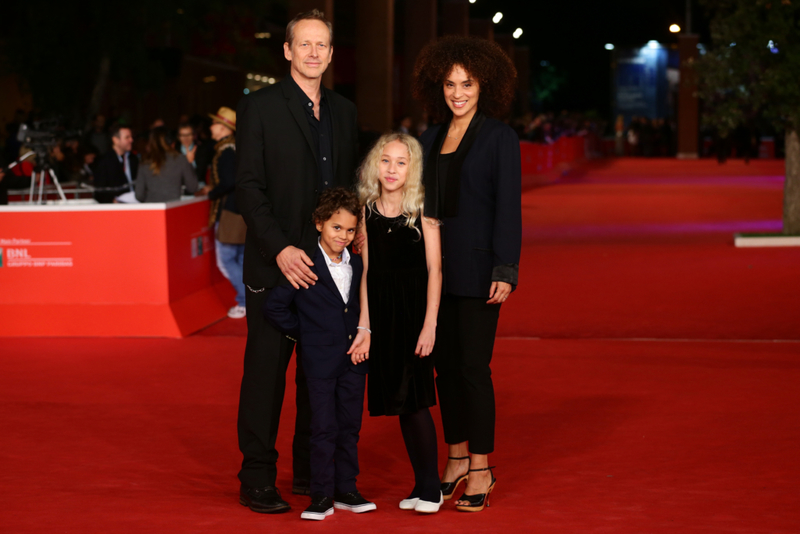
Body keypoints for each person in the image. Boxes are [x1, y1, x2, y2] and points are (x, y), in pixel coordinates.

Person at [234, 9, 360, 514]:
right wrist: (281, 249)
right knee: (266, 378)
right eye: (303, 44)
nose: (312, 53)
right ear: (287, 51)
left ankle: (314, 473)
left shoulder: (345, 113)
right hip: (275, 267)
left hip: (330, 272)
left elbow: (348, 189)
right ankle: (257, 477)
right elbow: (248, 187)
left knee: (320, 378)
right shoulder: (260, 107)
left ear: (331, 54)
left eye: (321, 45)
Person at [412, 35, 522, 512]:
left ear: (485, 85)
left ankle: (481, 466)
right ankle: (454, 458)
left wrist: (506, 267)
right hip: (434, 272)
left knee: (474, 369)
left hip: (479, 271)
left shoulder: (499, 137)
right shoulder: (429, 138)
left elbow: (507, 209)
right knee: (443, 370)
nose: (458, 92)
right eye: (451, 83)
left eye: (468, 83)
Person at [264, 188, 374, 521]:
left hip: (354, 361)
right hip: (319, 362)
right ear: (319, 224)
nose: (343, 235)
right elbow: (275, 306)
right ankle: (321, 494)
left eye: (350, 230)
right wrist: (307, 333)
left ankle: (346, 489)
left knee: (350, 427)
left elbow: (363, 305)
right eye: (336, 228)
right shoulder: (305, 263)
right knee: (323, 428)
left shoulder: (357, 262)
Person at [356, 132, 444, 512]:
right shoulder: (366, 210)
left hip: (414, 313)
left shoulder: (423, 208)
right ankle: (421, 483)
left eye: (401, 162)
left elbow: (435, 269)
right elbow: (366, 273)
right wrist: (365, 326)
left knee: (415, 401)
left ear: (412, 169)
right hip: (382, 313)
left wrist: (430, 325)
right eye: (386, 161)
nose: (392, 169)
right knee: (400, 402)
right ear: (376, 165)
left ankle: (432, 488)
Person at [195, 107, 246, 319]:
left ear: (224, 128)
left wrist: (211, 193)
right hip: (240, 211)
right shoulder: (236, 148)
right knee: (241, 259)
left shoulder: (226, 152)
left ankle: (244, 302)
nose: (211, 127)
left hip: (229, 212)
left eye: (215, 123)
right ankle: (249, 301)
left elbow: (229, 182)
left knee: (225, 260)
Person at [134, 126, 197, 203]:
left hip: (152, 209)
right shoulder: (180, 159)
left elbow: (139, 195)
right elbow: (192, 187)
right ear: (172, 142)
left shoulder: (145, 161)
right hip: (172, 208)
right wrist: (190, 163)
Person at [93, 124, 137, 203]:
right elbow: (99, 191)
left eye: (131, 137)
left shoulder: (133, 159)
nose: (131, 140)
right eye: (127, 137)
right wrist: (112, 201)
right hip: (116, 208)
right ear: (115, 140)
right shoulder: (104, 161)